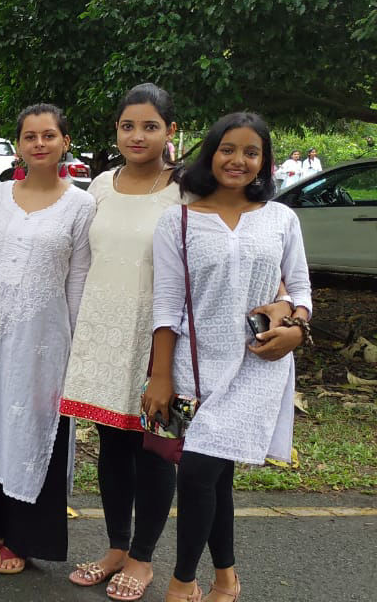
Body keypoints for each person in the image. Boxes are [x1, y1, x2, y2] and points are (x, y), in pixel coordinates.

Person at [145, 112, 311, 602]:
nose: (238, 160)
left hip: (260, 366)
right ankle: (226, 579)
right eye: (228, 149)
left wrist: (296, 328)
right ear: (211, 153)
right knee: (214, 479)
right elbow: (168, 304)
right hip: (193, 368)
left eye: (251, 152)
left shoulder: (282, 219)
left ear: (264, 162)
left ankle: (182, 582)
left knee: (198, 472)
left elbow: (300, 288)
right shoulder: (177, 221)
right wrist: (159, 376)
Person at [0, 103, 95, 575]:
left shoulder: (81, 204)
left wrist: (74, 348)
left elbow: (77, 281)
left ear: (64, 142)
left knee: (32, 426)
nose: (39, 143)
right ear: (18, 144)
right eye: (30, 136)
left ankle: (23, 537)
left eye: (49, 135)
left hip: (45, 337)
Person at [59, 84, 182, 599]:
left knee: (154, 447)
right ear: (116, 130)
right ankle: (116, 546)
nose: (138, 135)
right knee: (113, 443)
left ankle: (143, 558)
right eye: (128, 125)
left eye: (150, 126)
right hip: (104, 334)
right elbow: (78, 256)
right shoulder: (101, 186)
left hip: (159, 338)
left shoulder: (187, 188)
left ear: (170, 131)